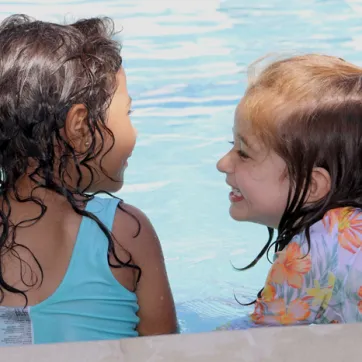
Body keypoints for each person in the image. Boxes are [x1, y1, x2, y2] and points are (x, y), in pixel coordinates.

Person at [0, 14, 177, 346]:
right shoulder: (125, 233)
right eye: (127, 114)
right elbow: (169, 351)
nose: (133, 131)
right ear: (79, 127)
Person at [217, 54, 362, 327]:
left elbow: (260, 346)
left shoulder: (310, 251)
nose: (223, 163)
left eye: (244, 153)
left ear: (311, 186)